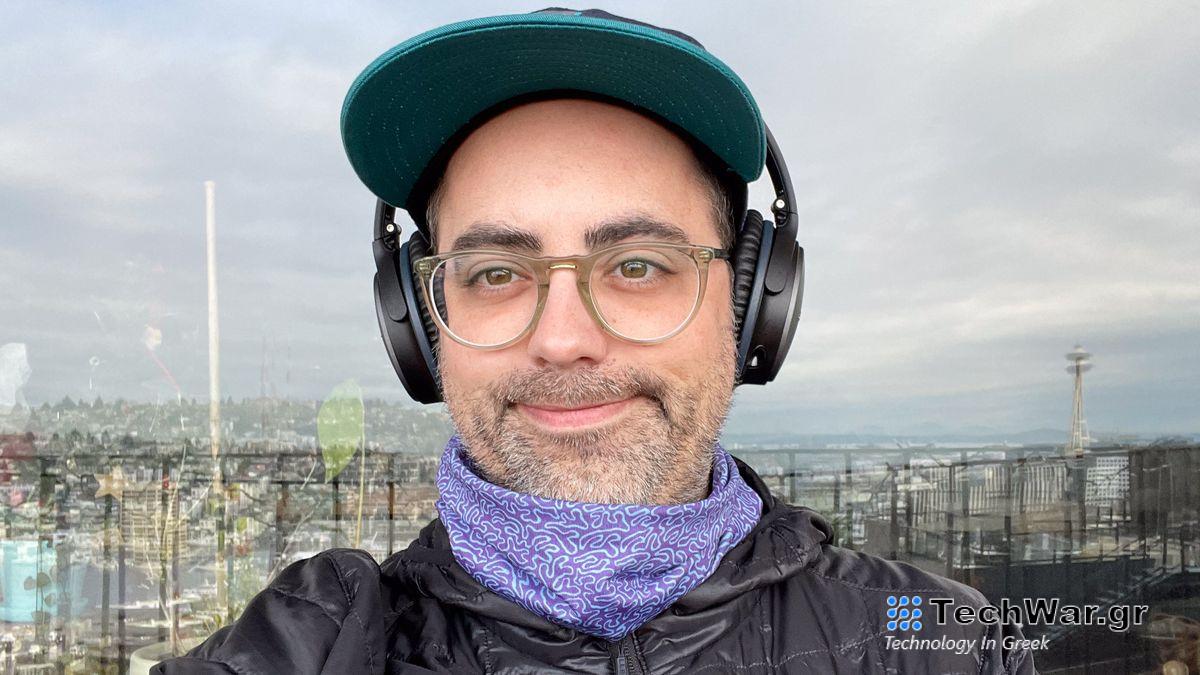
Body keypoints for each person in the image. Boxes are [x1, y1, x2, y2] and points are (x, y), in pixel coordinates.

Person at [156, 8, 1037, 674]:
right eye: (498, 273)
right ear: (421, 326)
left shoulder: (940, 642)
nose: (565, 340)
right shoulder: (313, 650)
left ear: (751, 302)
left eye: (641, 265)